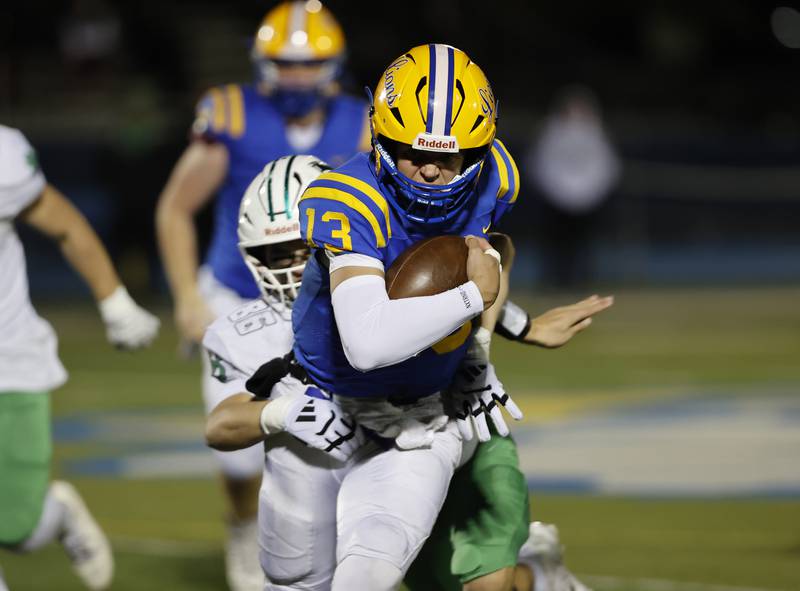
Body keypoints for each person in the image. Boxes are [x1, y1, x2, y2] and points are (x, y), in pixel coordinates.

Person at [206, 154, 606, 591]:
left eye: (307, 248)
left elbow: (482, 266)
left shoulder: (382, 279)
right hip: (331, 464)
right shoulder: (245, 330)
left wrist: (485, 348)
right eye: (278, 254)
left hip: (431, 429)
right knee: (305, 573)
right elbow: (222, 425)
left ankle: (540, 574)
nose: (298, 266)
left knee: (471, 582)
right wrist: (281, 413)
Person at [154, 2, 369, 588]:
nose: (297, 76)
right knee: (241, 447)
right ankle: (244, 525)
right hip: (236, 292)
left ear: (334, 64)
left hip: (323, 290)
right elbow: (176, 206)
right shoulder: (233, 114)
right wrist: (187, 299)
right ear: (262, 63)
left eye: (310, 64)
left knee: (351, 422)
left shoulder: (363, 122)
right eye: (285, 64)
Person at [0, 125, 160, 590]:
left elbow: (64, 222)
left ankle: (59, 514)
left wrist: (114, 301)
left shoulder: (4, 157)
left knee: (19, 531)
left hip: (9, 362)